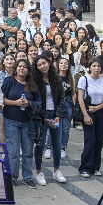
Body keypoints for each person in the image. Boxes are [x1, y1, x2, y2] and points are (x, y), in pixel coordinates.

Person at [2, 59, 42, 188]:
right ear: (16, 68)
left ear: (28, 70)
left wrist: (29, 103)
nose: (22, 69)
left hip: (28, 121)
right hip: (11, 120)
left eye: (25, 67)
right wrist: (15, 103)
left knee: (27, 151)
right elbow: (1, 99)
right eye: (20, 66)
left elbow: (39, 102)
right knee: (13, 151)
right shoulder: (9, 81)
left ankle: (28, 177)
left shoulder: (32, 84)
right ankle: (12, 176)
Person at [32, 55, 66, 184]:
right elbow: (36, 101)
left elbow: (62, 97)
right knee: (40, 144)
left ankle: (56, 170)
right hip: (42, 116)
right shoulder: (35, 80)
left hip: (55, 114)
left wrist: (58, 115)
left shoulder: (56, 78)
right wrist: (44, 117)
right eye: (39, 65)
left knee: (57, 143)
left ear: (48, 63)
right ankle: (39, 172)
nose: (42, 66)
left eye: (44, 63)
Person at [78, 58, 103, 177]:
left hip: (100, 111)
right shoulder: (84, 79)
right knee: (90, 140)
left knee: (99, 140)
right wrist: (86, 115)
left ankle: (96, 167)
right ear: (90, 67)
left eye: (98, 66)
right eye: (94, 66)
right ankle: (85, 167)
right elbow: (80, 98)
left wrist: (98, 108)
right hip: (88, 110)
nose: (96, 68)